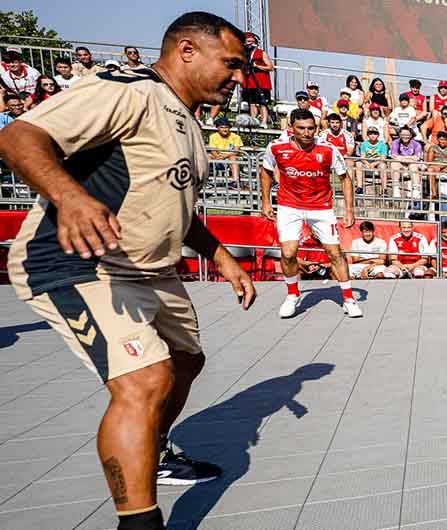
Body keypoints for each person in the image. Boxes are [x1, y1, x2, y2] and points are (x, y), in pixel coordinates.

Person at [0, 13, 256, 530]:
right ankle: (138, 522)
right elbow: (18, 137)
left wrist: (221, 255)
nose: (239, 78)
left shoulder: (187, 118)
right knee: (145, 381)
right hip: (79, 263)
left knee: (185, 363)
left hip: (151, 270)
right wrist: (69, 197)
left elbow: (173, 207)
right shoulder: (127, 90)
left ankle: (153, 454)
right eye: (230, 64)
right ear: (187, 50)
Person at [260, 108, 362, 319]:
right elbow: (266, 171)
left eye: (311, 128)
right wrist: (265, 201)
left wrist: (349, 210)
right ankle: (292, 295)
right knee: (288, 253)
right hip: (290, 206)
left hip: (321, 207)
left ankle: (349, 299)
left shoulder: (328, 150)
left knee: (335, 253)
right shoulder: (276, 148)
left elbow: (345, 179)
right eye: (301, 128)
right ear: (291, 128)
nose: (307, 133)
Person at [238, 32, 273, 127]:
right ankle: (253, 121)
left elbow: (270, 67)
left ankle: (264, 122)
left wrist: (257, 66)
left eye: (252, 41)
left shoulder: (261, 53)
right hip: (249, 83)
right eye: (248, 41)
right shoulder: (244, 54)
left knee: (262, 103)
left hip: (261, 83)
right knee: (252, 103)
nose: (250, 43)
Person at [206, 117, 245, 189]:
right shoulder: (213, 136)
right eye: (222, 127)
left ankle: (235, 182)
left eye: (226, 127)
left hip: (230, 159)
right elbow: (213, 150)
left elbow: (237, 151)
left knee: (233, 158)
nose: (224, 129)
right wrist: (219, 157)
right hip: (218, 158)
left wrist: (226, 156)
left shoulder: (236, 137)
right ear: (217, 128)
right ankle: (205, 181)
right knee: (208, 156)